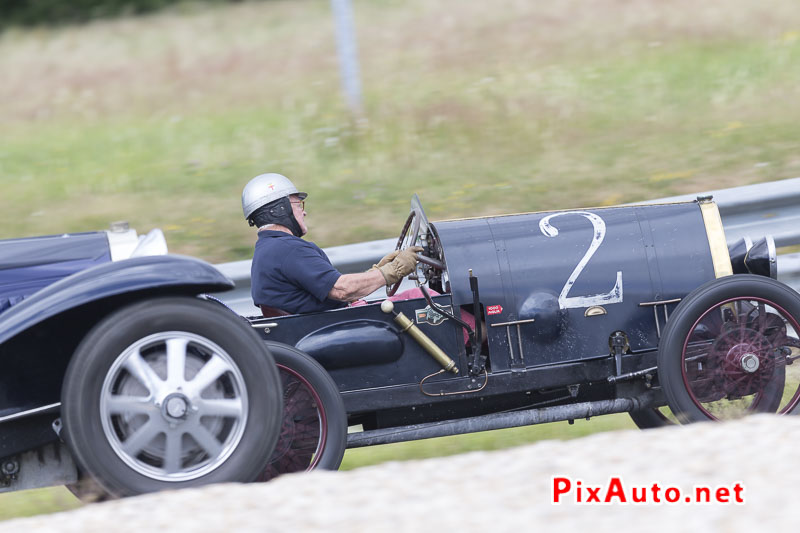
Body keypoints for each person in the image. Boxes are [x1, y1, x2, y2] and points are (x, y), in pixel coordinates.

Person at [242, 173, 421, 316]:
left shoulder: (268, 250)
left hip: (316, 325)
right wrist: (394, 270)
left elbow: (326, 289)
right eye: (298, 205)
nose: (304, 212)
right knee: (420, 298)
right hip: (331, 326)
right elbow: (342, 290)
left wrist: (376, 271)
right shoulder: (288, 249)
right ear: (280, 210)